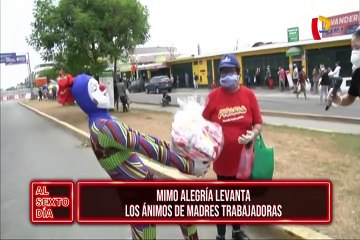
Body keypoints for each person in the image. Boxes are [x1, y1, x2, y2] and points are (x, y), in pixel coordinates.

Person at [59, 74, 210, 240]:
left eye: (98, 84)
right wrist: (189, 166)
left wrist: (177, 150)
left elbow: (143, 138)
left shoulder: (103, 121)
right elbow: (145, 147)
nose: (102, 87)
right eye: (94, 88)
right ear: (86, 100)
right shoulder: (104, 127)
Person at [203, 54, 263, 240]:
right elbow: (203, 125)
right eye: (223, 71)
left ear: (238, 73)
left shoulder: (248, 95)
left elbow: (258, 123)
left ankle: (236, 231)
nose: (226, 74)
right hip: (222, 160)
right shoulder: (213, 97)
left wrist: (252, 134)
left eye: (230, 70)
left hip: (243, 160)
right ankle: (220, 235)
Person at [328, 28, 360, 106]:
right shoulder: (357, 73)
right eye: (353, 48)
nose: (354, 52)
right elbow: (350, 98)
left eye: (357, 47)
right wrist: (338, 99)